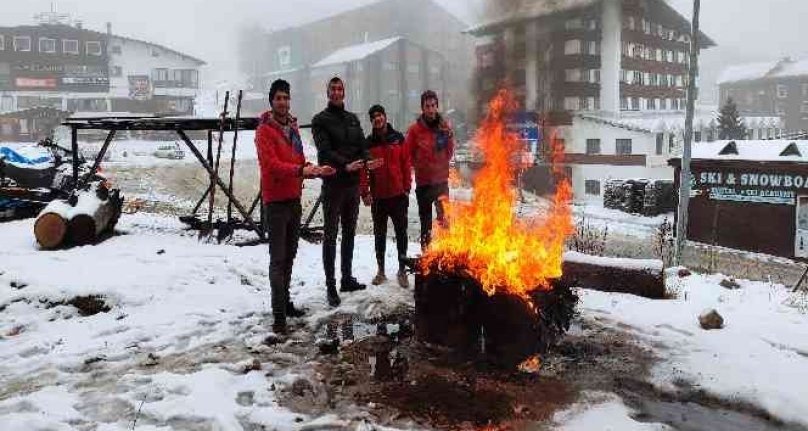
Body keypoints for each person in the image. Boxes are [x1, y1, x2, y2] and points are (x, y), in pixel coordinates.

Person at [255, 79, 335, 334]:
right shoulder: (264, 131)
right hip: (276, 202)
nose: (283, 102)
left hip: (293, 200)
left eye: (286, 98)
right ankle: (279, 316)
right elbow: (272, 166)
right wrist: (302, 169)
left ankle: (286, 303)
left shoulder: (292, 127)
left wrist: (316, 170)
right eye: (278, 98)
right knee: (278, 259)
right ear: (271, 101)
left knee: (289, 255)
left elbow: (299, 160)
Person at [312, 77, 382, 307]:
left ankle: (346, 278)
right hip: (333, 185)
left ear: (344, 92)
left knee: (350, 233)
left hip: (352, 186)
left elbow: (362, 145)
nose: (336, 92)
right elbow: (325, 151)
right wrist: (344, 165)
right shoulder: (320, 120)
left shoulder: (353, 119)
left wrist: (368, 160)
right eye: (333, 89)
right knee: (331, 236)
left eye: (340, 89)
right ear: (328, 92)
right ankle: (331, 285)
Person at [360, 105, 411, 288]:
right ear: (371, 121)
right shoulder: (367, 144)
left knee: (401, 234)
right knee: (379, 235)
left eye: (379, 115)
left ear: (385, 116)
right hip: (379, 198)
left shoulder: (398, 138)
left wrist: (406, 188)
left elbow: (406, 164)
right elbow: (363, 171)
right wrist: (364, 192)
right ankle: (381, 270)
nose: (377, 119)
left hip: (398, 196)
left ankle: (402, 270)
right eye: (373, 117)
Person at [405, 90, 455, 250]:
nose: (431, 109)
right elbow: (407, 154)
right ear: (422, 108)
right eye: (427, 106)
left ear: (437, 106)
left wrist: (449, 138)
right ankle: (426, 255)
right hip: (424, 184)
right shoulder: (415, 130)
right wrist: (420, 165)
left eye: (433, 105)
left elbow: (449, 152)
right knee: (426, 223)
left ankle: (448, 254)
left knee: (444, 220)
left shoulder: (444, 127)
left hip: (441, 182)